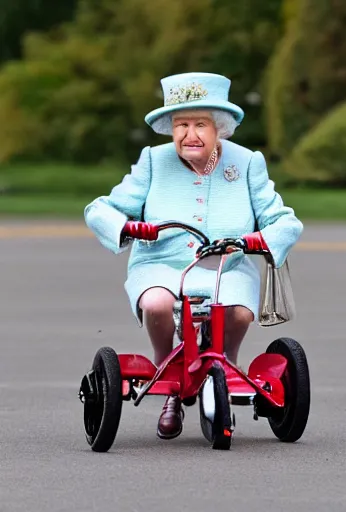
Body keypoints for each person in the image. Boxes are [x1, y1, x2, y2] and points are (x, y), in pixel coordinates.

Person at [84, 72, 303, 440]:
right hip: (160, 264)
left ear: (220, 128)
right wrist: (129, 227)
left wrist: (255, 241)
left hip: (224, 265)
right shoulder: (153, 161)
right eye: (181, 125)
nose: (190, 135)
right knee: (157, 303)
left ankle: (226, 363)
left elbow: (284, 219)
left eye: (200, 124)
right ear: (171, 128)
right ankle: (164, 367)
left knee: (238, 311)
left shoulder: (247, 163)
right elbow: (100, 208)